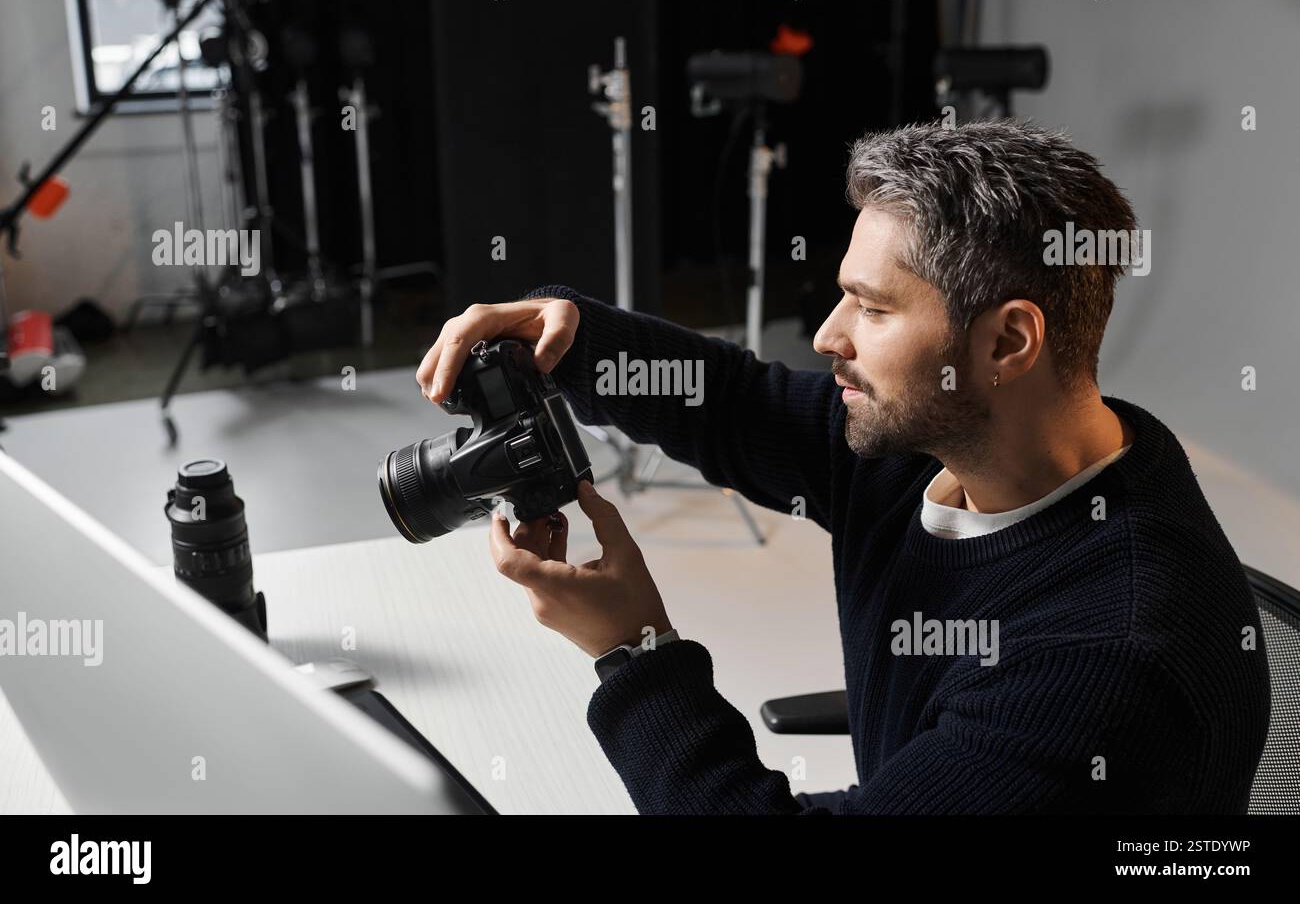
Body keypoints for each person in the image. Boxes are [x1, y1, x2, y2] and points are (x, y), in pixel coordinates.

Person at [415, 119, 1270, 814]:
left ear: (1008, 340)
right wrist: (568, 340)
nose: (828, 336)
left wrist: (636, 652)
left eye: (873, 307)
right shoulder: (948, 443)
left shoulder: (1103, 665)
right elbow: (737, 402)